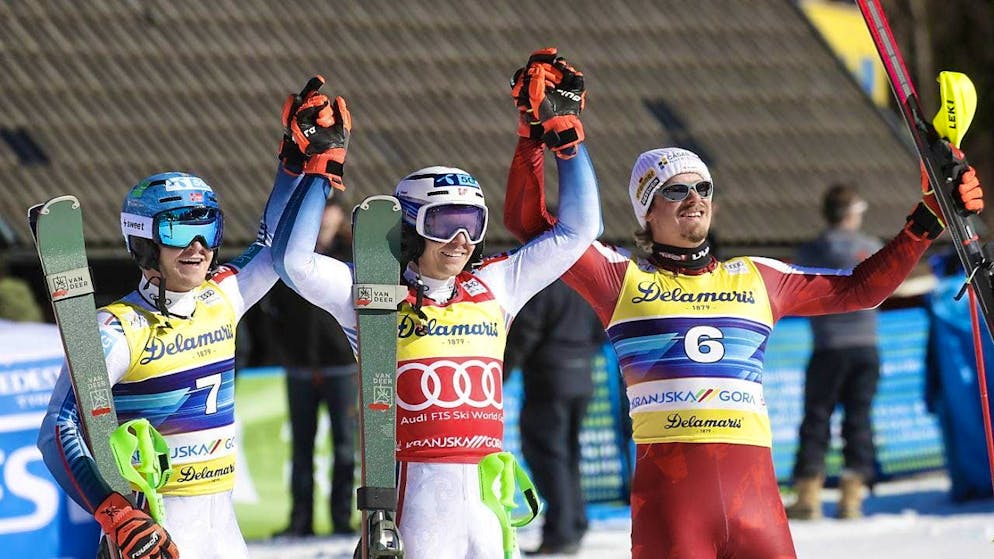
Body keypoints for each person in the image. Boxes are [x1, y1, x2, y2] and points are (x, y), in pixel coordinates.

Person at [504, 54, 984, 559]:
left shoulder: (757, 276)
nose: (695, 198)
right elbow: (531, 225)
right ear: (646, 210)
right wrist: (536, 138)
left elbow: (862, 290)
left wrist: (928, 218)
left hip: (756, 507)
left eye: (703, 187)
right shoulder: (619, 277)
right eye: (675, 190)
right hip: (672, 511)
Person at [271, 64, 600, 559]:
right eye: (445, 221)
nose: (461, 239)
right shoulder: (372, 294)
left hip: (486, 499)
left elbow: (579, 231)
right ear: (408, 228)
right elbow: (292, 261)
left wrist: (565, 137)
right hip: (414, 501)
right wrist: (322, 169)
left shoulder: (495, 285)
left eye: (472, 222)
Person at [35, 82, 321, 557]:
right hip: (159, 533)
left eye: (208, 227)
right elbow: (57, 429)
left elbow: (275, 247)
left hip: (225, 533)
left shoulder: (221, 298)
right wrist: (115, 513)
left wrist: (301, 165)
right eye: (179, 230)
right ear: (145, 242)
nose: (198, 247)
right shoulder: (115, 328)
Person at [786, 184, 883, 520]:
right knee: (859, 420)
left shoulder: (812, 251)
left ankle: (808, 498)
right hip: (866, 346)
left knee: (816, 419)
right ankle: (851, 500)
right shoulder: (871, 248)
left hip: (828, 347)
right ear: (853, 212)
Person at [266, 198, 359, 537]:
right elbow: (271, 312)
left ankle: (341, 519)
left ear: (339, 215)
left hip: (342, 367)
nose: (322, 219)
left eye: (328, 211)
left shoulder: (354, 256)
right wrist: (286, 352)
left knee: (346, 448)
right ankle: (300, 520)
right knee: (301, 448)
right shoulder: (290, 258)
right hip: (300, 368)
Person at [503, 278, 604, 555]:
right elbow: (601, 329)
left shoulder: (546, 281)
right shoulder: (585, 283)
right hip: (582, 377)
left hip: (549, 379)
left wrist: (502, 370)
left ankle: (561, 533)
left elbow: (526, 331)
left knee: (548, 454)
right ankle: (574, 524)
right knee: (568, 454)